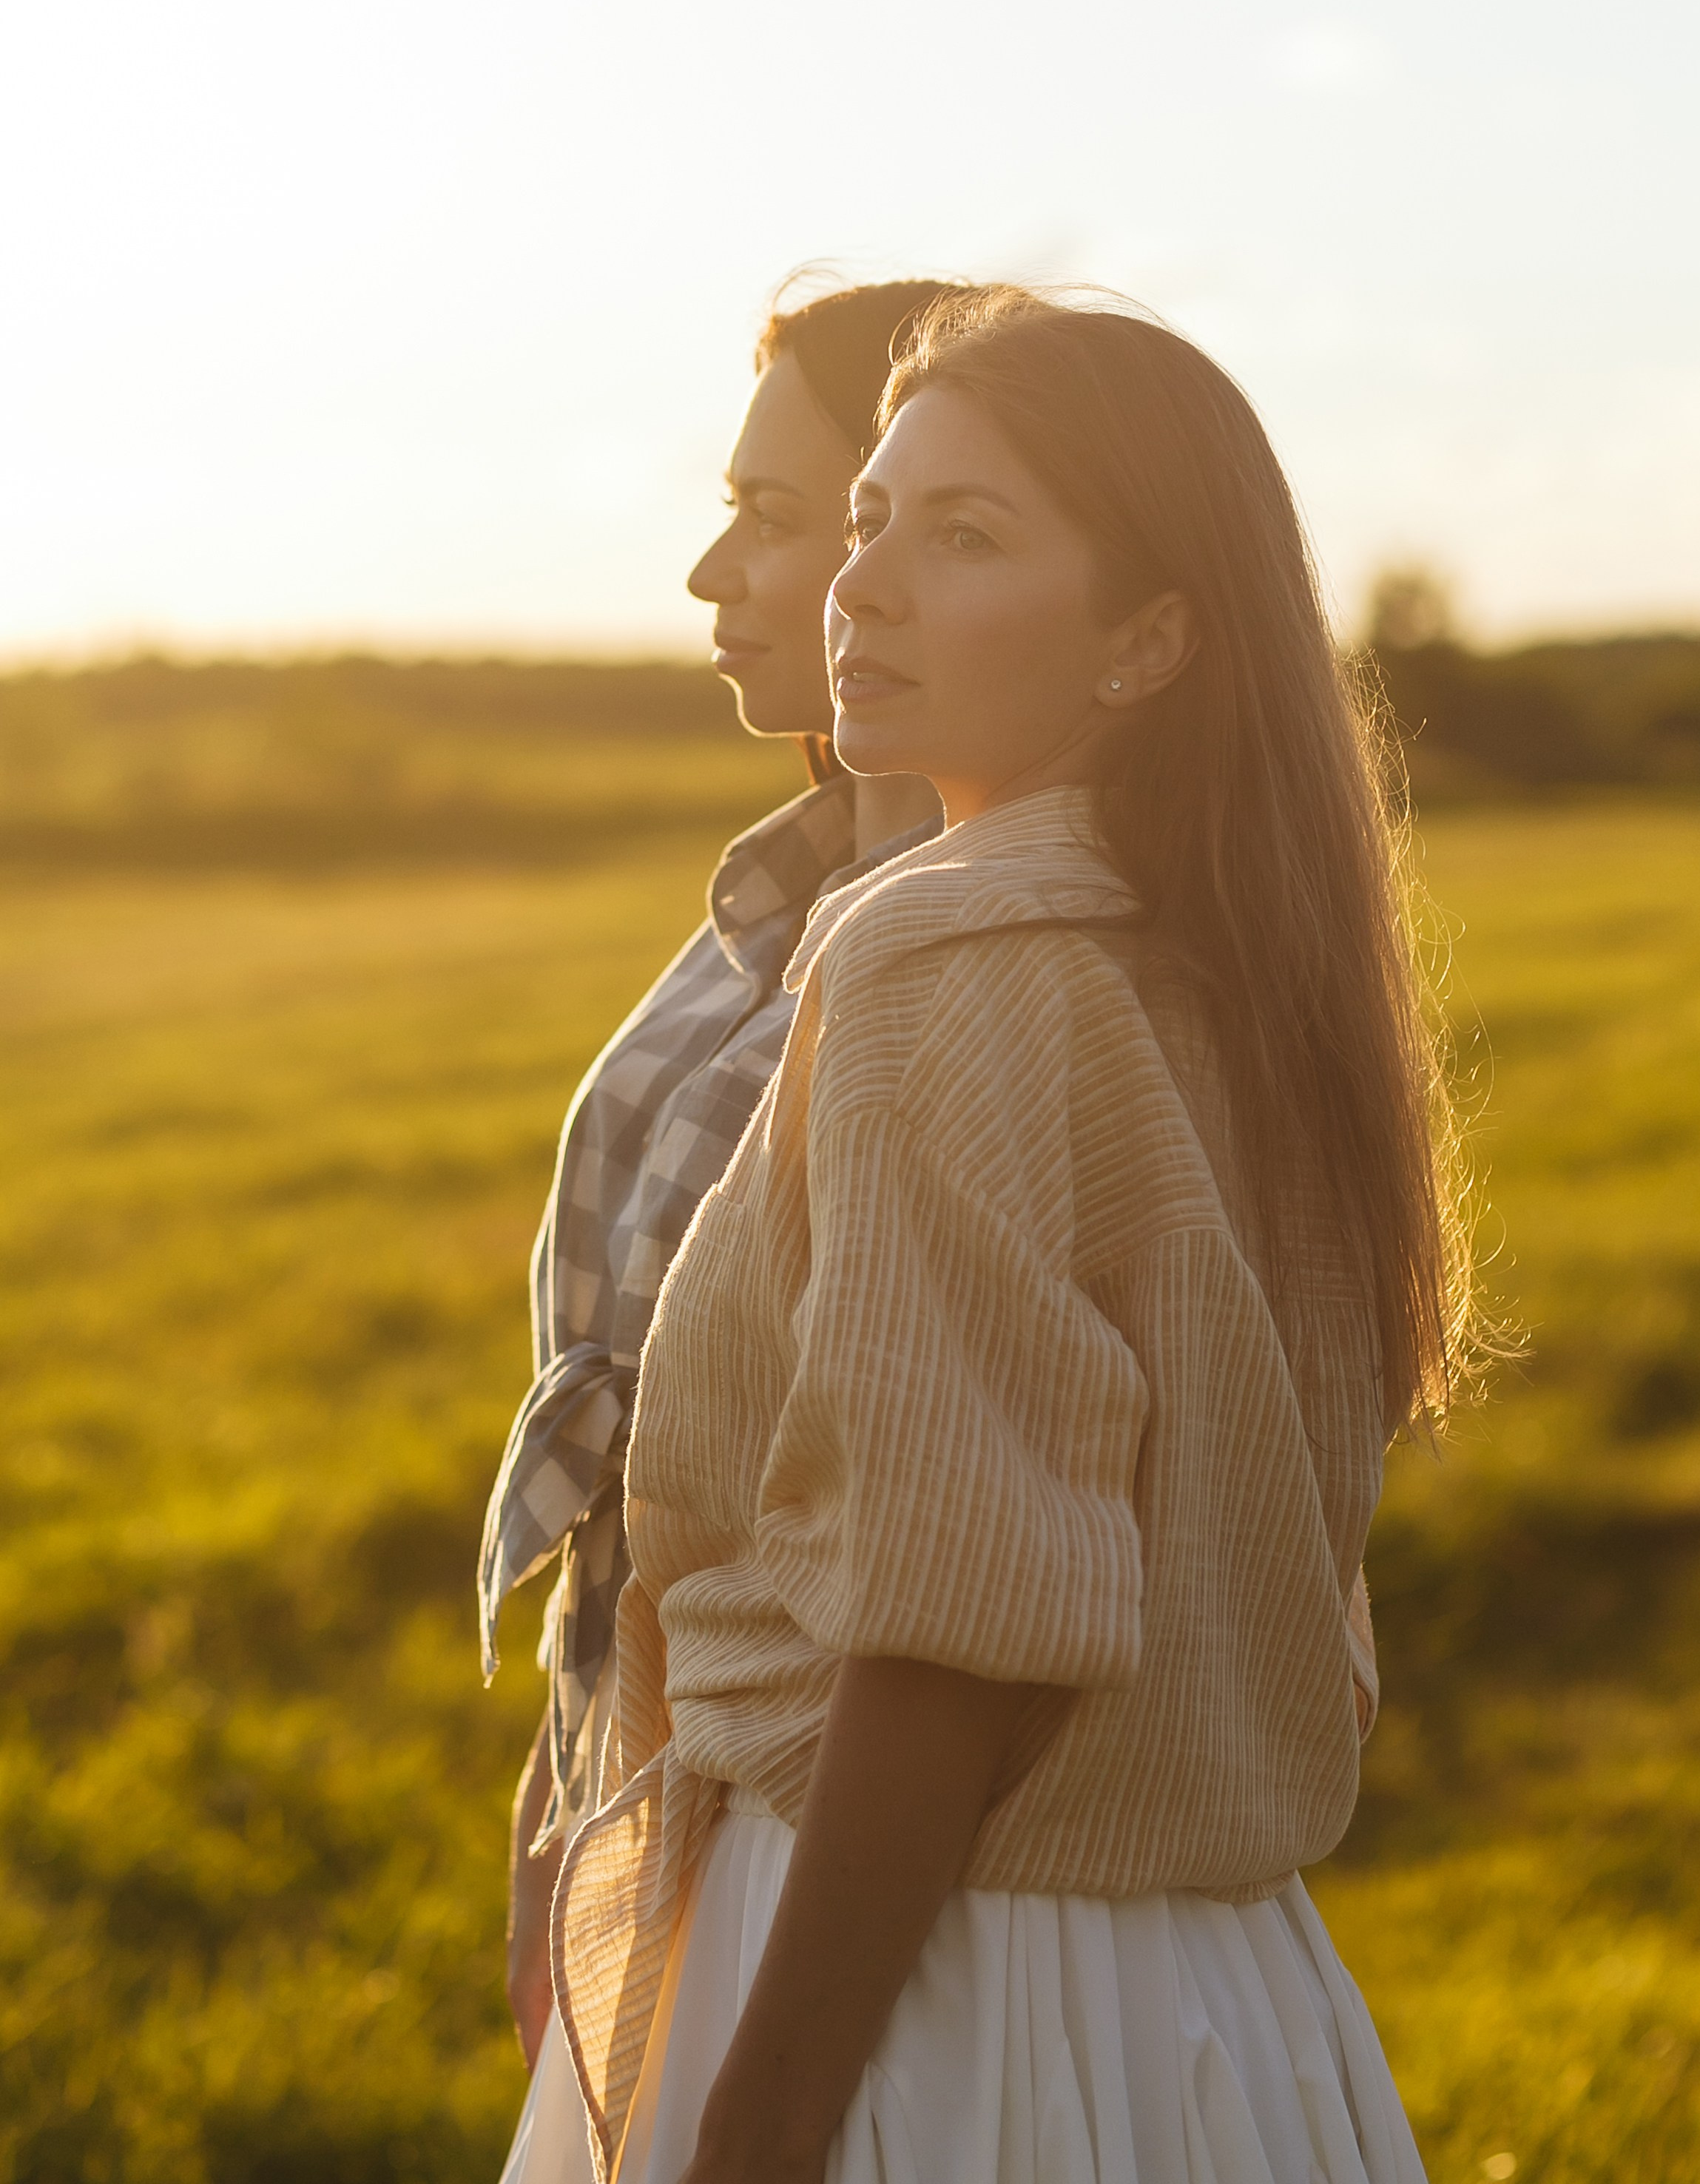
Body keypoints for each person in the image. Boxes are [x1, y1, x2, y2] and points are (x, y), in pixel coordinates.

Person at [542, 288, 1468, 2184]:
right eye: (872, 519)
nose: (863, 586)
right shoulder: (1251, 968)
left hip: (926, 1995)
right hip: (1230, 2001)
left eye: (963, 538)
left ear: (1147, 641)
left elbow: (963, 1622)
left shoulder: (937, 959)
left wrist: (770, 2119)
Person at [480, 280, 959, 2172]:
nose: (713, 569)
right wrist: (576, 1795)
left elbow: (928, 1554)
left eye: (775, 514)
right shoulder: (777, 901)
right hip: (655, 1784)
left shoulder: (969, 966)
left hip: (807, 1848)